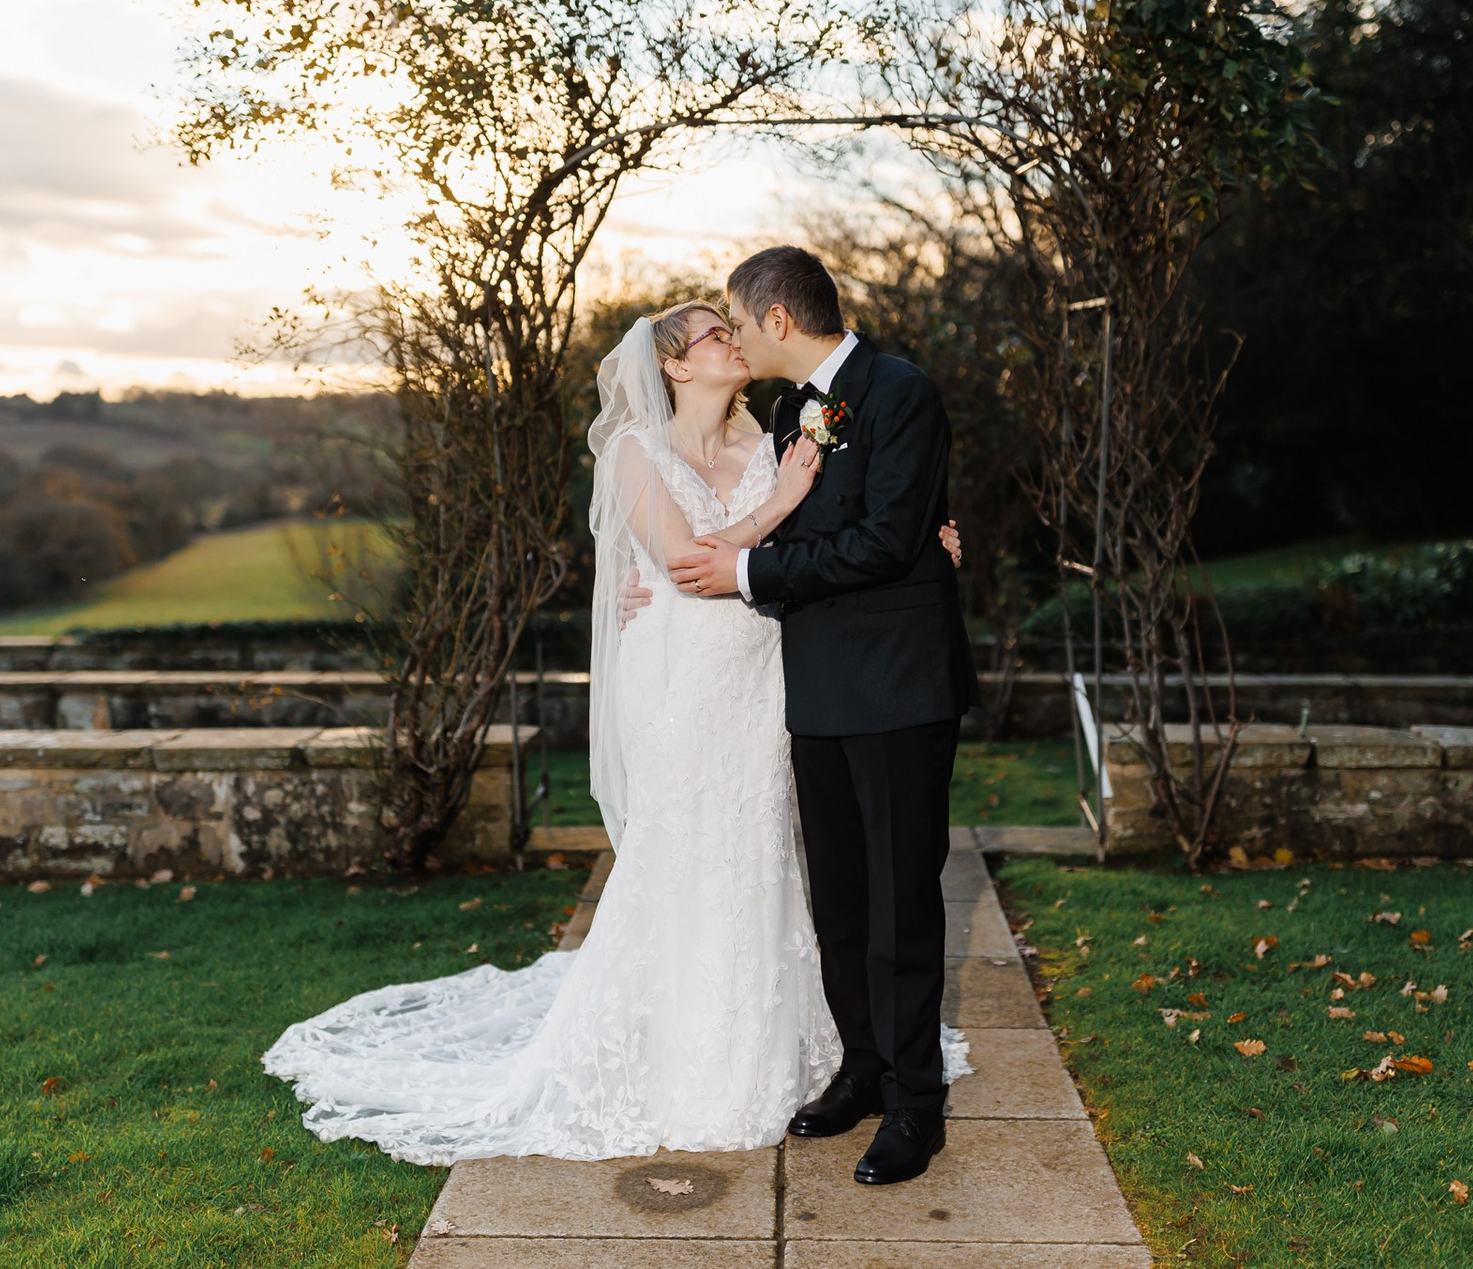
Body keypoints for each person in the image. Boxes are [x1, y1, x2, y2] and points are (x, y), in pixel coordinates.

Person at [263, 299, 971, 1166]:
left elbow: (861, 515)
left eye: (735, 327)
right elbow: (687, 562)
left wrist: (932, 535)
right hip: (684, 680)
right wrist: (779, 502)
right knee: (691, 851)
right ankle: (692, 1057)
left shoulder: (776, 429)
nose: (735, 341)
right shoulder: (638, 451)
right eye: (717, 334)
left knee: (767, 856)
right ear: (673, 365)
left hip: (768, 675)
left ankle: (816, 1052)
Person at [654, 246, 982, 1185]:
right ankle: (863, 1069)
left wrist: (748, 571)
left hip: (900, 686)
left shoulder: (901, 392)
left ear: (779, 320)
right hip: (817, 686)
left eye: (739, 322)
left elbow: (882, 540)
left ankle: (917, 1103)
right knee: (838, 899)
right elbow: (795, 519)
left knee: (900, 903)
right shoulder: (791, 411)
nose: (738, 338)